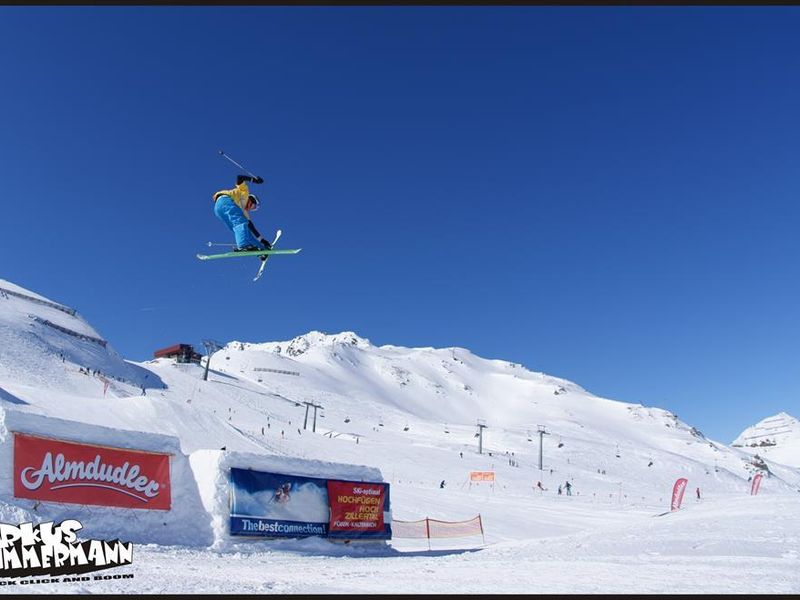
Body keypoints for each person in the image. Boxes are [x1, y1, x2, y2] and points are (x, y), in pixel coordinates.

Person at [212, 174, 272, 256]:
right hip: (225, 200)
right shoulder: (245, 193)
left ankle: (261, 251)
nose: (251, 209)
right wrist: (254, 180)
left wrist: (262, 241)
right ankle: (243, 245)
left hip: (219, 210)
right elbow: (240, 177)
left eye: (254, 209)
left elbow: (252, 228)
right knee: (241, 223)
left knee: (245, 231)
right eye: (253, 206)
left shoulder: (243, 212)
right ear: (251, 199)